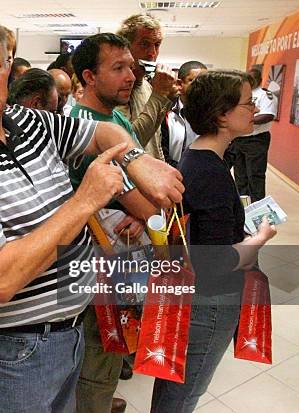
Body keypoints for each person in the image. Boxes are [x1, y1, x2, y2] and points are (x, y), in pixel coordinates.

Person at [0, 11, 183, 413]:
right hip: (6, 354)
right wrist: (85, 201)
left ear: (7, 73)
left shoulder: (25, 121)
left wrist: (137, 160)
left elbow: (104, 132)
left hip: (67, 336)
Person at [150, 70, 277, 412]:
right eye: (247, 102)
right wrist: (260, 238)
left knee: (174, 389)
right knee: (182, 396)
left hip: (192, 296)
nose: (254, 109)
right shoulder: (211, 174)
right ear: (222, 114)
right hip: (210, 300)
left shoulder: (197, 158)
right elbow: (216, 261)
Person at [69, 32, 158, 413]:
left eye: (131, 68)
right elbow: (143, 200)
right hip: (99, 262)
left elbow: (145, 187)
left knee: (116, 342)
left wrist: (142, 210)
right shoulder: (82, 128)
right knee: (98, 352)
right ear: (89, 76)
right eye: (118, 68)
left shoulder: (116, 117)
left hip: (125, 252)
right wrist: (143, 210)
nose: (131, 76)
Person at [116, 14, 178, 161]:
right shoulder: (116, 87)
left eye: (157, 45)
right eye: (144, 44)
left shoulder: (146, 84)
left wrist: (166, 97)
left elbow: (154, 138)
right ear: (126, 47)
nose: (152, 53)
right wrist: (159, 94)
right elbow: (130, 144)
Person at [226, 67, 277, 201]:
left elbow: (268, 115)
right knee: (240, 175)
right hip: (238, 139)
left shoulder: (265, 95)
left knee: (255, 176)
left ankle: (257, 207)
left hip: (256, 140)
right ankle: (243, 206)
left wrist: (244, 119)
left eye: (252, 78)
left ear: (259, 80)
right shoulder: (240, 93)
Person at [161, 60, 207, 168]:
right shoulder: (165, 112)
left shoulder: (213, 114)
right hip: (171, 175)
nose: (202, 86)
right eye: (194, 81)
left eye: (205, 81)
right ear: (180, 84)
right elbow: (161, 152)